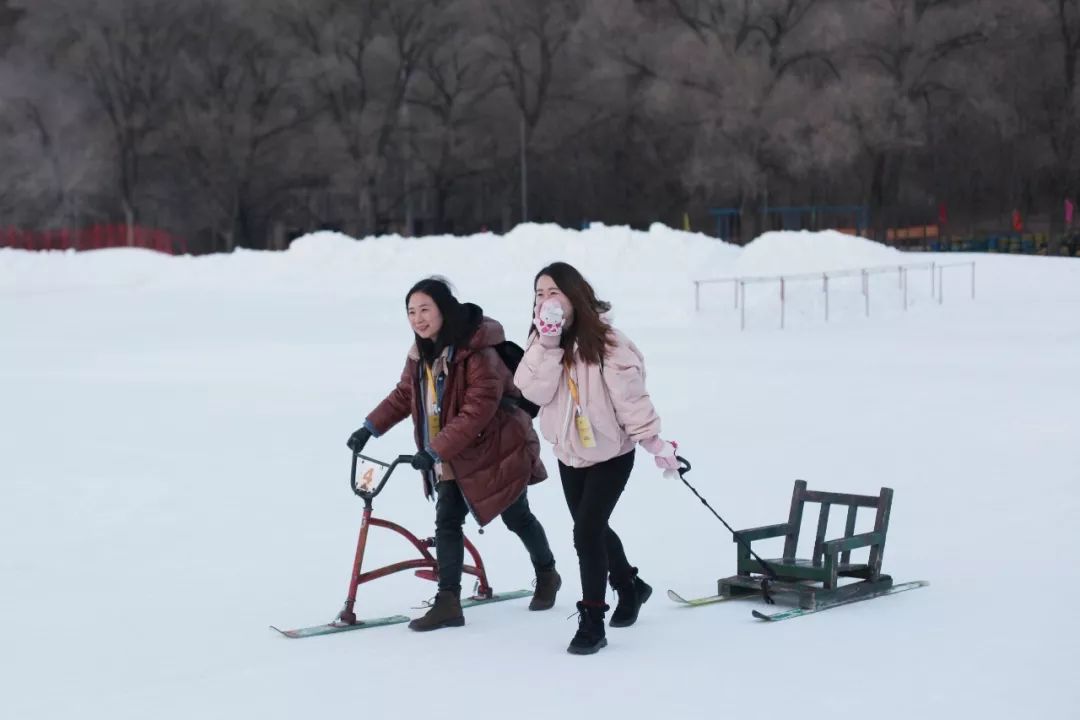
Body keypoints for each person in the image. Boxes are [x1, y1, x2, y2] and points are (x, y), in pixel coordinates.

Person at [346, 277, 561, 631]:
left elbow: (477, 411)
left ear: (444, 310)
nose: (418, 319)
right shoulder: (420, 355)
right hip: (449, 453)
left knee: (516, 516)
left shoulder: (479, 353)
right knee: (447, 519)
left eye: (425, 310)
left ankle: (547, 573)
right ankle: (448, 601)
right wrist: (369, 428)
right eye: (411, 312)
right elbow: (404, 395)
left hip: (496, 449)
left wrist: (434, 450)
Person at [513, 262, 679, 655]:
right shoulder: (542, 342)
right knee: (594, 528)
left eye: (554, 292)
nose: (545, 301)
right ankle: (629, 585)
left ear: (575, 295)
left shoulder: (608, 343)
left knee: (586, 532)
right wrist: (548, 345)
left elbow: (630, 397)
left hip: (611, 453)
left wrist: (653, 442)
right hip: (570, 453)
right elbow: (529, 391)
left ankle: (592, 621)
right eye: (539, 294)